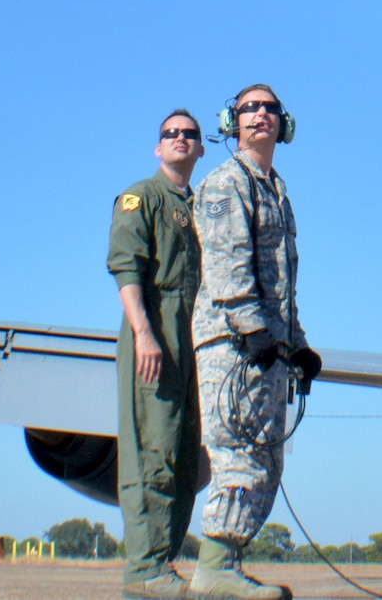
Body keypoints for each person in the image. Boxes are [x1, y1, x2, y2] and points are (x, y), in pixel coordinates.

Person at [188, 84, 323, 600]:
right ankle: (214, 571)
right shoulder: (226, 181)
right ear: (232, 122)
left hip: (267, 344)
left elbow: (280, 279)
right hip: (233, 343)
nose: (261, 115)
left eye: (270, 108)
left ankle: (229, 567)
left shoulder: (276, 189)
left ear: (283, 124)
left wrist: (298, 343)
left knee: (267, 459)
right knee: (238, 453)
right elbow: (225, 264)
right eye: (250, 109)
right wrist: (251, 327)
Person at [108, 110, 207, 599]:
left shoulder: (205, 205)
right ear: (157, 147)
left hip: (196, 334)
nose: (181, 140)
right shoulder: (140, 198)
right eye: (171, 134)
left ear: (202, 148)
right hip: (157, 325)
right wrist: (144, 332)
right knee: (154, 448)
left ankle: (163, 566)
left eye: (190, 134)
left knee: (188, 455)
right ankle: (144, 570)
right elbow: (127, 268)